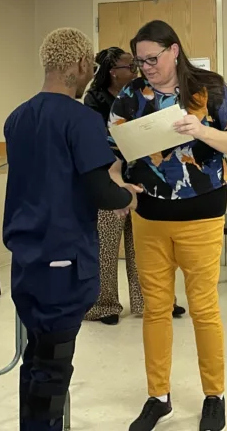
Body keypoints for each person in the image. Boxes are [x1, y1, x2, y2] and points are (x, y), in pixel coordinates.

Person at [111, 21, 227, 431]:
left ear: (174, 51)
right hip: (149, 217)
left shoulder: (213, 89)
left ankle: (214, 395)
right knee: (155, 309)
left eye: (153, 59)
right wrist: (118, 181)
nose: (146, 67)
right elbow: (112, 152)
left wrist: (202, 130)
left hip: (202, 213)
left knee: (203, 308)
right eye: (140, 61)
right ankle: (158, 396)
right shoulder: (132, 96)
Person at [3, 28, 142, 431]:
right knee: (53, 370)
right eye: (91, 68)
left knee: (35, 360)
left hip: (27, 259)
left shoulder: (17, 117)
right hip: (63, 259)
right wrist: (127, 197)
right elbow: (99, 188)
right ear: (81, 65)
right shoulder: (81, 119)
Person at [82, 47, 184, 325]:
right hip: (108, 177)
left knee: (143, 246)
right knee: (106, 246)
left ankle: (148, 301)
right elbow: (97, 142)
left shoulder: (143, 94)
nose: (137, 70)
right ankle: (105, 305)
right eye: (131, 66)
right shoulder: (93, 101)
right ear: (114, 72)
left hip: (140, 177)